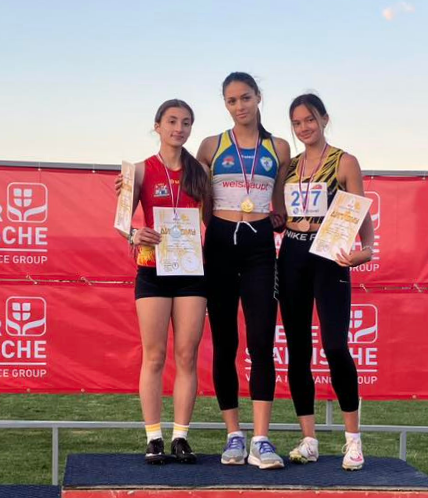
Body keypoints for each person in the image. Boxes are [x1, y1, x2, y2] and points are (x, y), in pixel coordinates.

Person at [195, 72, 291, 469]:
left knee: (261, 342)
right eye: (232, 100)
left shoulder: (279, 147)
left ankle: (262, 439)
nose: (240, 106)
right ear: (225, 104)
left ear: (258, 97)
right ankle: (234, 434)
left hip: (259, 248)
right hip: (219, 244)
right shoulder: (211, 145)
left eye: (246, 97)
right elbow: (197, 199)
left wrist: (280, 217)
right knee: (224, 343)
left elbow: (280, 203)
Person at [276, 94, 374, 471]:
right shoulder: (289, 166)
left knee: (335, 346)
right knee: (298, 349)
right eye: (297, 122)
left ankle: (353, 441)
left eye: (310, 119)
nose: (304, 128)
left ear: (324, 119)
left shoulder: (344, 161)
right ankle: (309, 439)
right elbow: (279, 212)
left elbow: (359, 211)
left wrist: (366, 250)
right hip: (293, 255)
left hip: (330, 255)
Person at [116, 99, 213, 464]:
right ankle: (153, 436)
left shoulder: (199, 172)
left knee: (187, 355)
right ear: (157, 125)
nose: (179, 128)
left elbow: (211, 220)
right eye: (172, 121)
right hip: (152, 270)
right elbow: (122, 222)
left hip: (191, 272)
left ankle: (181, 436)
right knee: (154, 355)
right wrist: (134, 234)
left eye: (186, 122)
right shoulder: (139, 170)